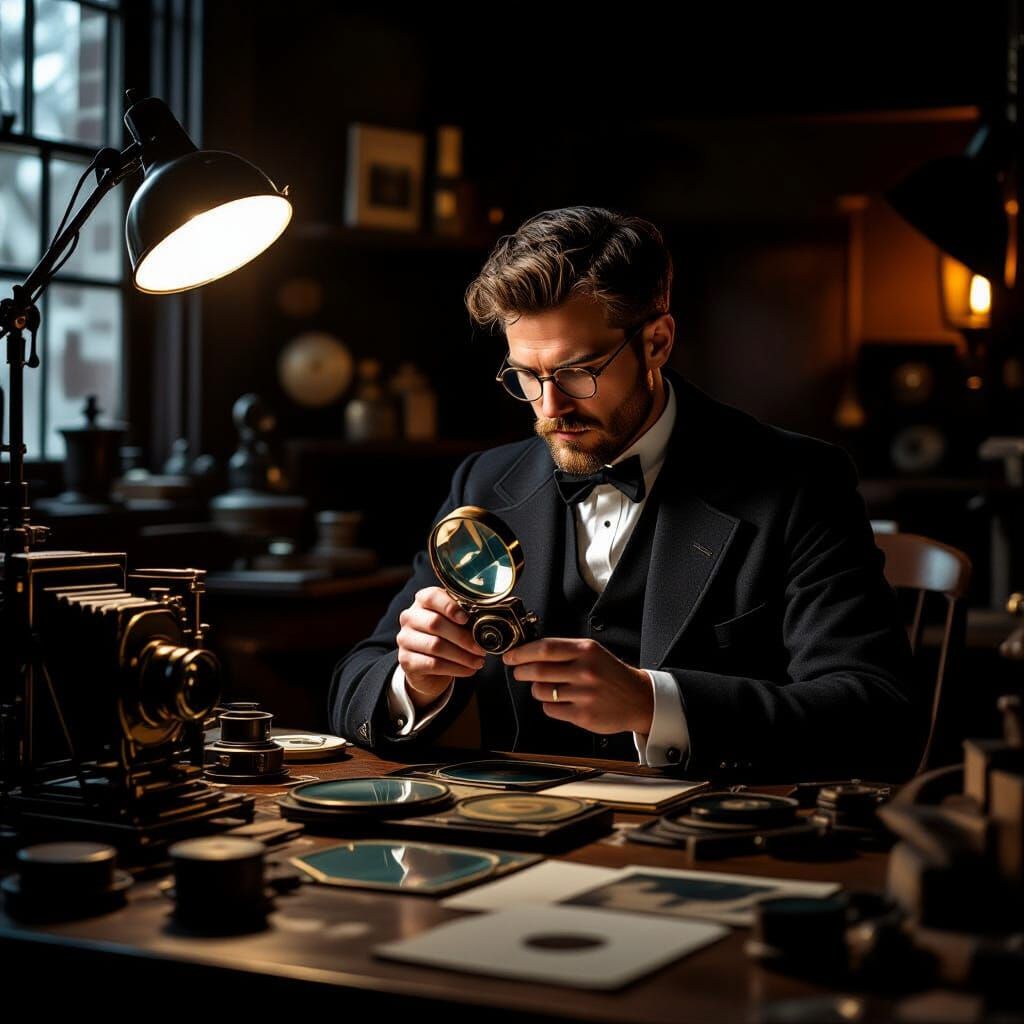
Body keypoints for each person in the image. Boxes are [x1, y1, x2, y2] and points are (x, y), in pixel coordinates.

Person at [328, 205, 920, 781]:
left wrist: (651, 702)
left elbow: (876, 714)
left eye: (577, 371)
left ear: (657, 342)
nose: (549, 407)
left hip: (717, 845)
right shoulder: (484, 483)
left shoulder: (799, 481)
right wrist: (415, 680)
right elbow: (355, 683)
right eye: (526, 377)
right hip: (521, 837)